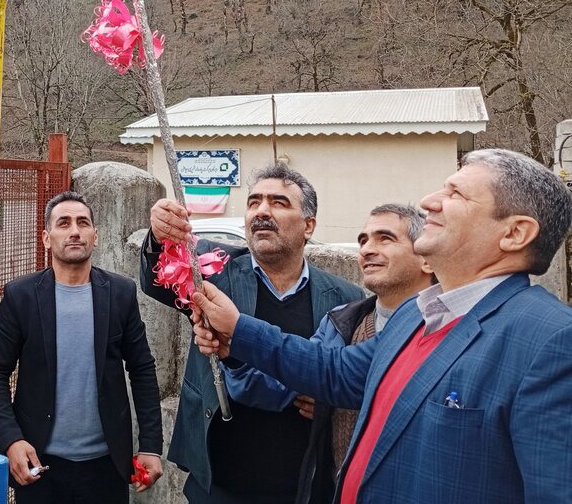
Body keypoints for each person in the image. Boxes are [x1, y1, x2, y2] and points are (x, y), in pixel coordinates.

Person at [192, 149, 572, 504]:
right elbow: (335, 371)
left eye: (456, 193)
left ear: (514, 233)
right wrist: (238, 328)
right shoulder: (417, 316)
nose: (429, 202)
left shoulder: (551, 342)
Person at [140, 164, 363, 504]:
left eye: (278, 202)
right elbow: (157, 279)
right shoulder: (213, 274)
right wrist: (159, 235)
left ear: (309, 225)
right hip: (220, 483)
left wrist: (331, 404)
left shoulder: (345, 298)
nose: (261, 211)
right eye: (254, 201)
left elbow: (351, 379)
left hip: (302, 487)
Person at [225, 203, 435, 504]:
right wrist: (233, 351)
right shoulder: (342, 322)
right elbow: (285, 383)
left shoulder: (441, 330)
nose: (367, 250)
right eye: (363, 240)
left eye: (385, 238)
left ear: (426, 259)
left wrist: (336, 401)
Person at [0, 191, 163, 503]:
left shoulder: (120, 293)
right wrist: (10, 439)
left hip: (107, 465)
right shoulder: (20, 296)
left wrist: (150, 444)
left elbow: (142, 370)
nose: (74, 231)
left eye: (83, 223)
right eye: (63, 223)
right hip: (40, 463)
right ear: (46, 237)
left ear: (95, 236)